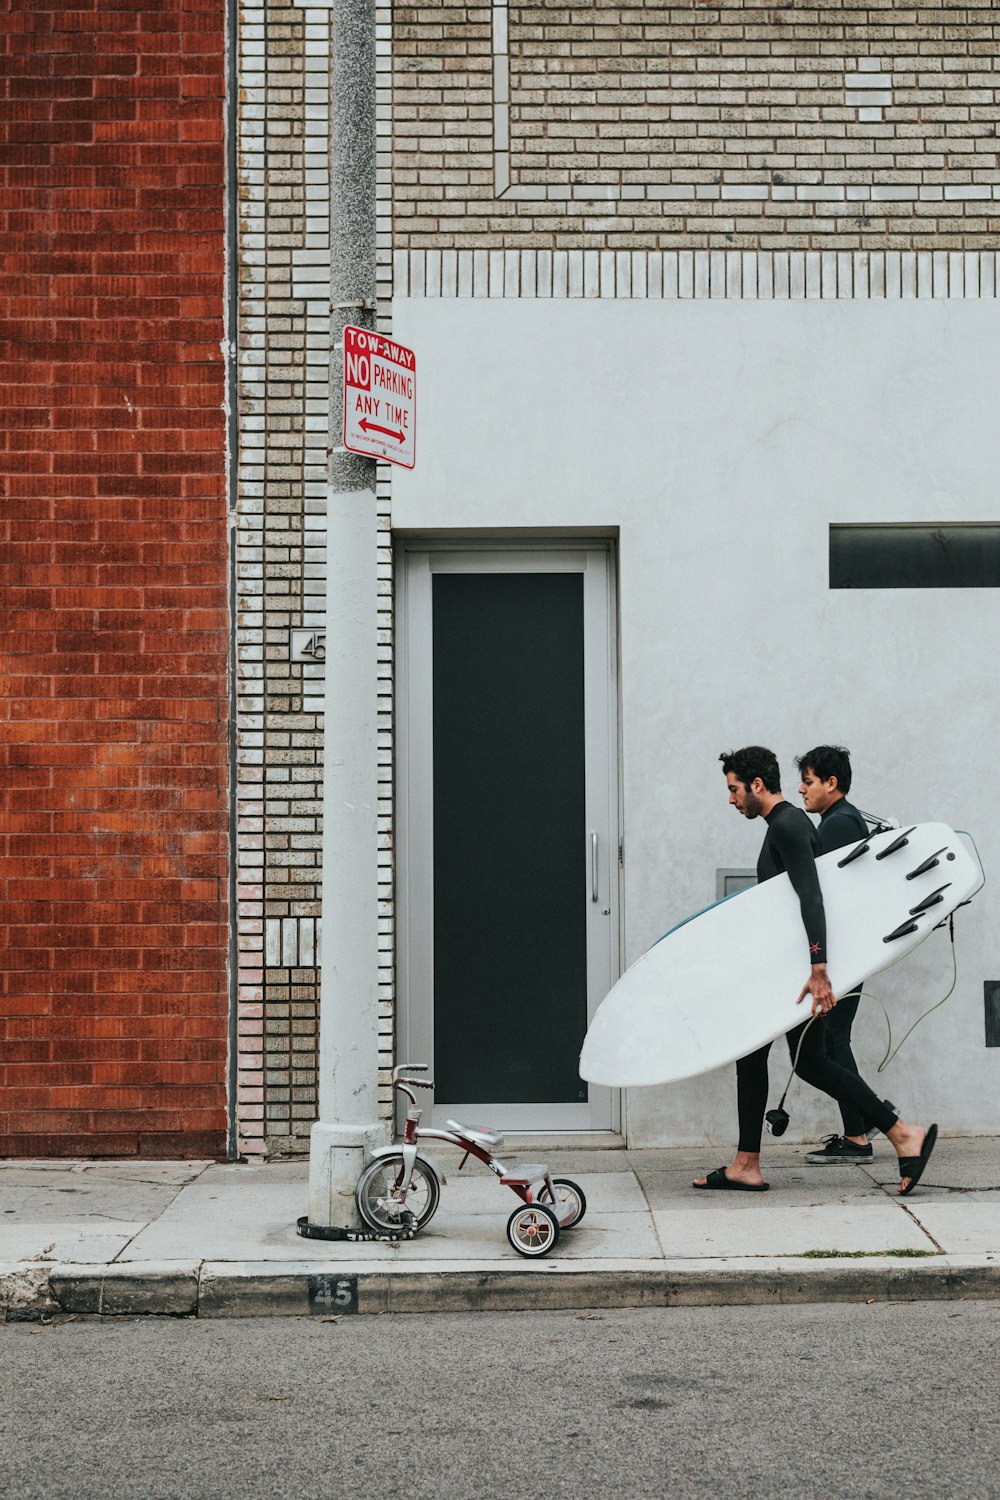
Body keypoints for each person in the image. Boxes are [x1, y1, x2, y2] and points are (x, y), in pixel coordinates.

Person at [692, 745, 936, 1196]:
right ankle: (899, 1133)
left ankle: (901, 1132)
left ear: (757, 786)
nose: (730, 799)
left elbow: (813, 897)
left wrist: (819, 968)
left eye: (733, 789)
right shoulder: (785, 824)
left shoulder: (787, 826)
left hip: (794, 971)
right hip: (785, 968)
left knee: (789, 1060)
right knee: (806, 1063)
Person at [796, 745, 894, 1163]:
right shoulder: (847, 820)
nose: (801, 790)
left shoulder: (837, 825)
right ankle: (865, 1119)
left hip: (843, 954)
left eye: (808, 781)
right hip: (849, 950)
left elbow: (828, 896)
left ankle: (859, 1134)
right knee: (833, 1040)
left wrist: (821, 958)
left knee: (830, 1042)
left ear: (831, 783)